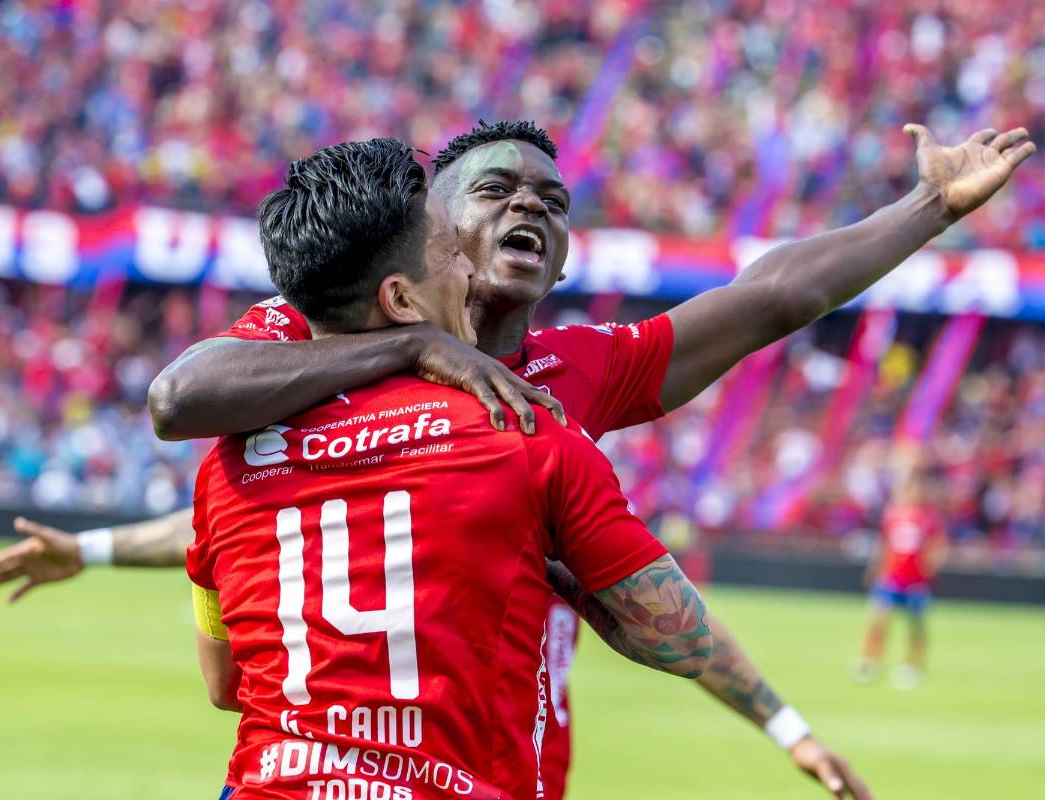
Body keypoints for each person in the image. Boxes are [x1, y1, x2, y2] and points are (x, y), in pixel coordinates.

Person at [0, 117, 1034, 798]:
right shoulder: (315, 347)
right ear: (426, 235)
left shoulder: (572, 374)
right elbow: (182, 400)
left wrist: (930, 206)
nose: (533, 202)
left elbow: (769, 297)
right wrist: (411, 346)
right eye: (497, 190)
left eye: (553, 199)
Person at [193, 136, 712, 799]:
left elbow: (224, 684)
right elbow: (684, 639)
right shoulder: (527, 432)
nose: (466, 274)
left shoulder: (229, 460)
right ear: (402, 300)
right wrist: (566, 581)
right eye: (448, 257)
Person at [854, 468, 950, 690]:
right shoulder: (893, 515)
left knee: (915, 626)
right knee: (879, 621)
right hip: (891, 579)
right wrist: (876, 569)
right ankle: (870, 662)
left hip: (916, 582)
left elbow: (939, 546)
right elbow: (883, 545)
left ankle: (912, 666)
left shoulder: (929, 518)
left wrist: (930, 567)